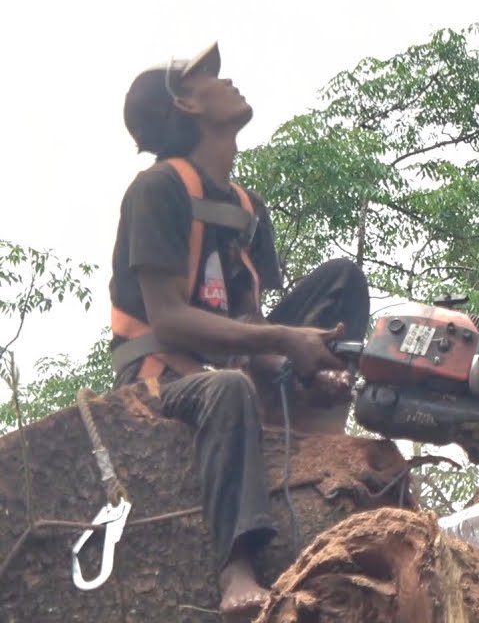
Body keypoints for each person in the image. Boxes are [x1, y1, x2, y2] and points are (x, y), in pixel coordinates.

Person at [108, 42, 370, 617]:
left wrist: (296, 361)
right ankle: (238, 567)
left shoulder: (249, 208)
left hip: (230, 366)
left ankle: (314, 415)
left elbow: (248, 320)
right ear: (186, 104)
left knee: (341, 281)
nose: (227, 83)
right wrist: (279, 342)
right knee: (223, 389)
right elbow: (171, 319)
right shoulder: (156, 190)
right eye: (209, 79)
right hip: (164, 378)